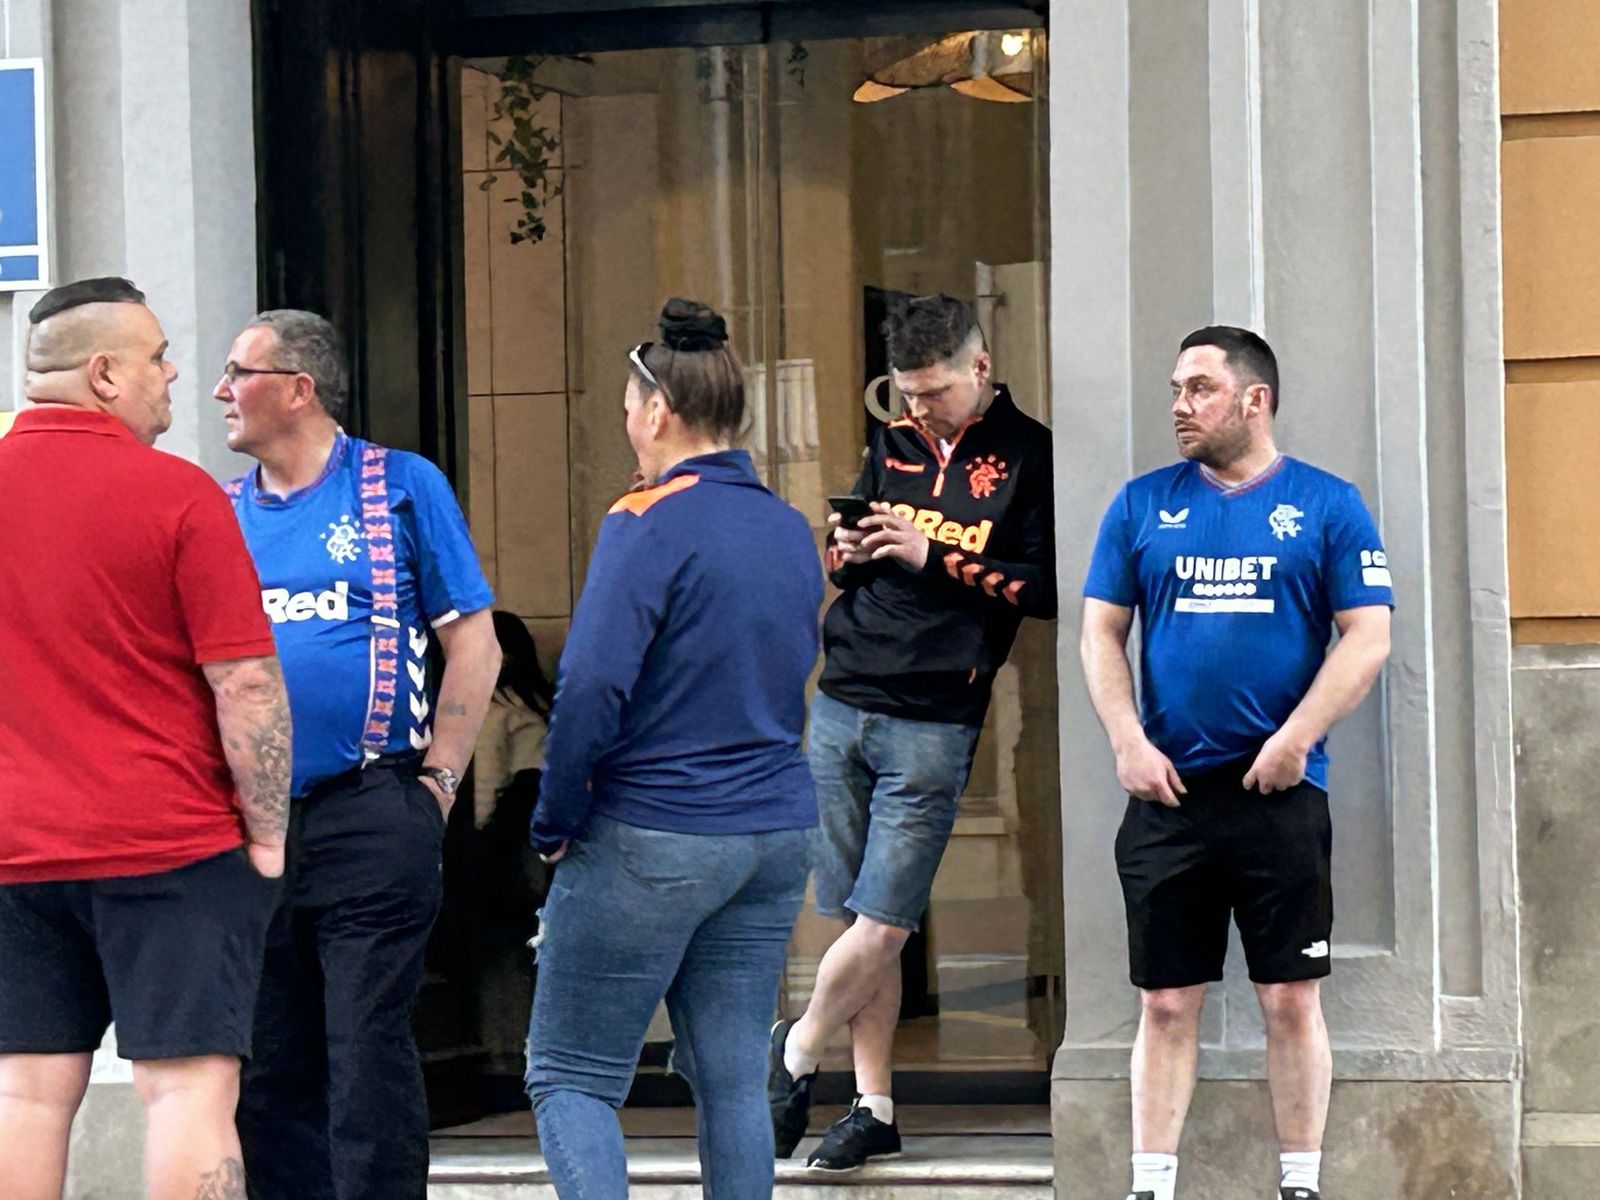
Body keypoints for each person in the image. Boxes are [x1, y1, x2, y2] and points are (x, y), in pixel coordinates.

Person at [1080, 327, 1393, 1200]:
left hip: (1280, 795)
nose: (1180, 405)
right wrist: (1126, 741)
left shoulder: (1328, 505)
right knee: (1167, 1003)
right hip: (1168, 792)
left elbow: (1368, 636)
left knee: (1289, 999)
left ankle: (1300, 1181)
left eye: (1200, 389)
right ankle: (1151, 1183)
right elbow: (1100, 630)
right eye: (1176, 388)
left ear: (1254, 399)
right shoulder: (1143, 505)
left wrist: (1297, 738)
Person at [0, 277, 292, 1200]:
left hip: (14, 848)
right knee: (187, 1093)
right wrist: (269, 833)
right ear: (105, 373)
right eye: (159, 357)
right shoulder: (180, 495)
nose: (175, 376)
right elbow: (245, 680)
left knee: (24, 1092)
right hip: (172, 843)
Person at [524, 299, 822, 1199]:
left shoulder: (644, 520)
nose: (629, 427)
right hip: (772, 831)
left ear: (658, 411)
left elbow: (590, 687)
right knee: (731, 1076)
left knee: (570, 1075)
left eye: (628, 409)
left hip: (654, 827)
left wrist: (554, 818)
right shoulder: (786, 528)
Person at [215, 309, 501, 1200]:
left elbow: (475, 643)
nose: (220, 391)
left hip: (372, 811)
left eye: (239, 373)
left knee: (366, 1046)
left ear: (298, 388)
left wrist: (438, 785)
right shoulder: (217, 513)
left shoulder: (399, 487)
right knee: (266, 1064)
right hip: (251, 827)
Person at [769, 293, 1056, 1170]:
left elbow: (1043, 588)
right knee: (855, 916)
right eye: (907, 391)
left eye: (934, 392)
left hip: (937, 709)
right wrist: (845, 554)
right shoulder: (891, 442)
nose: (918, 409)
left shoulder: (1029, 454)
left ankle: (791, 1048)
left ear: (979, 368)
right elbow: (848, 566)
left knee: (886, 921)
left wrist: (936, 557)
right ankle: (873, 1102)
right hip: (845, 694)